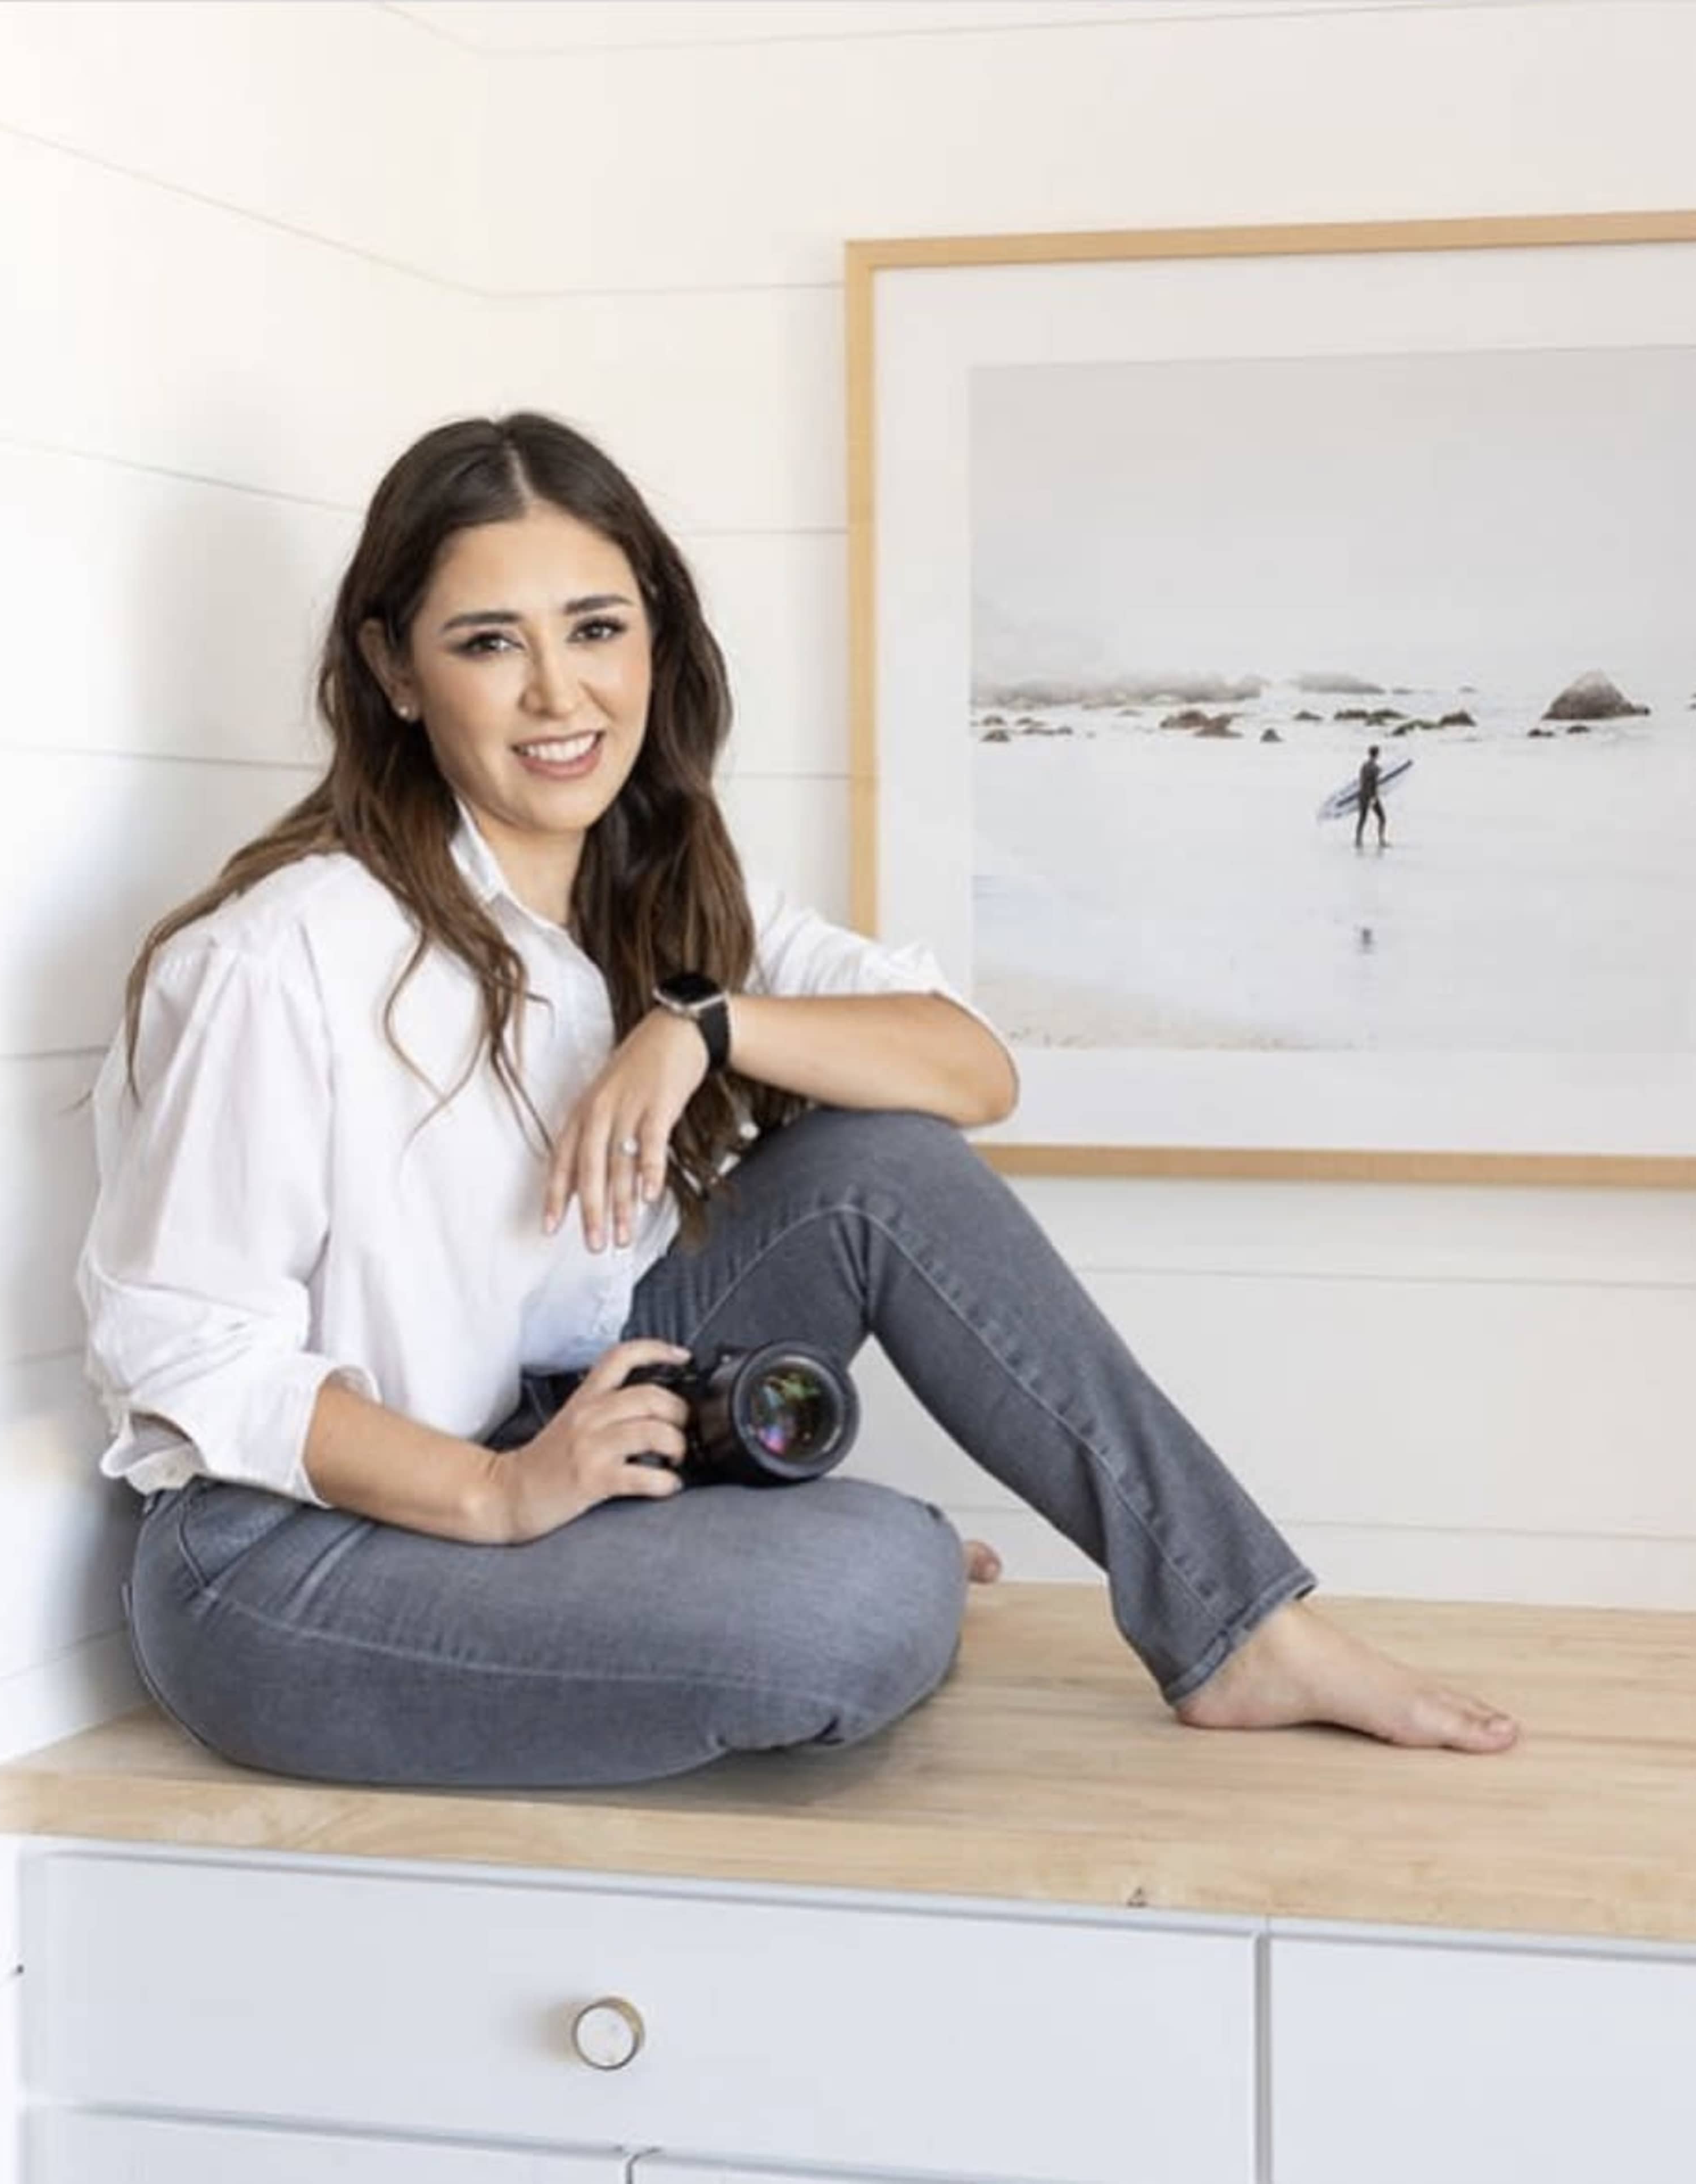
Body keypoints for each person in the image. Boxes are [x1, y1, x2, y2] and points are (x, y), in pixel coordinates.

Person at [81, 412, 1517, 1790]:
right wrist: (499, 1493)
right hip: (295, 1553)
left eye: (595, 628)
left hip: (557, 1427)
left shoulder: (660, 888)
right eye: (489, 643)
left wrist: (703, 1026)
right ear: (395, 671)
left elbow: (971, 1068)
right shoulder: (282, 958)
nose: (560, 695)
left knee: (883, 1165)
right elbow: (182, 1351)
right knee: (850, 1608)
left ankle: (1234, 1623)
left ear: (655, 636)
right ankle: (814, 1562)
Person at [1354, 742, 1388, 851]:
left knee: (1362, 818)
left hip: (1362, 795)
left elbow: (1363, 781)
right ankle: (1381, 841)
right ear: (1377, 754)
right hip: (1370, 796)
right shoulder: (1374, 768)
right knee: (1382, 818)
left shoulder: (1364, 766)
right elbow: (1372, 784)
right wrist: (1373, 798)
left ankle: (1358, 840)